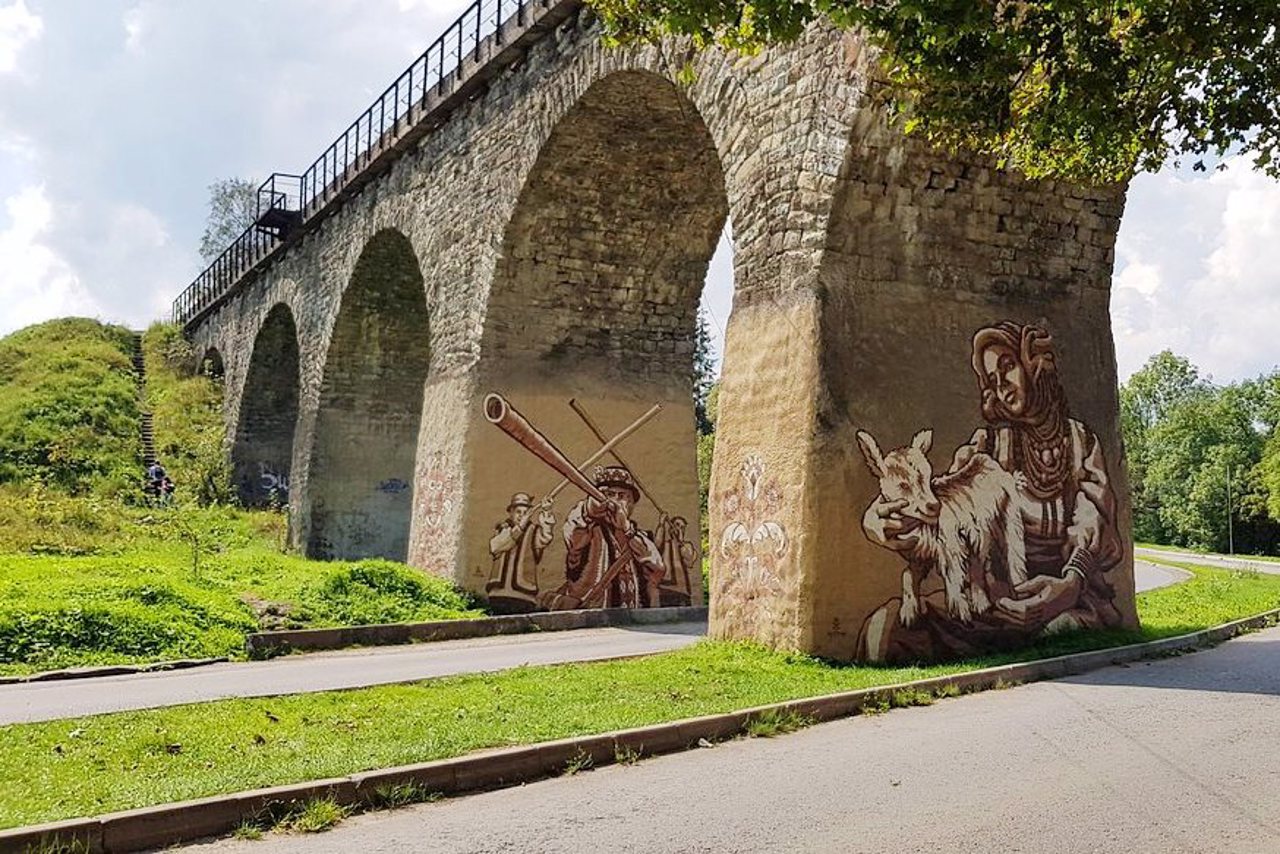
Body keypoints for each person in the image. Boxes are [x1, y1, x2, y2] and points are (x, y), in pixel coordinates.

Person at [859, 321, 1123, 662]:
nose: (1003, 387)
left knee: (1059, 630)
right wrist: (879, 520)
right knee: (888, 630)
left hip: (1068, 599)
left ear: (1033, 362)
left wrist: (1068, 587)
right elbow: (945, 510)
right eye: (993, 381)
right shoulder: (985, 448)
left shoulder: (1081, 444)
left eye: (1008, 367)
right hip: (995, 602)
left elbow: (1095, 521)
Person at [540, 466, 666, 610]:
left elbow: (658, 569)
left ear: (631, 503)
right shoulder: (589, 530)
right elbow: (573, 528)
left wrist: (626, 528)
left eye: (622, 496)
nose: (615, 501)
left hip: (635, 624)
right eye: (609, 494)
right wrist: (591, 507)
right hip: (595, 622)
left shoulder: (639, 537)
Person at [485, 492, 555, 613]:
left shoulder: (533, 531)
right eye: (518, 512)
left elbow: (545, 538)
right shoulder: (503, 529)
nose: (521, 516)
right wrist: (521, 527)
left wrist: (546, 512)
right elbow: (496, 546)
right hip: (498, 594)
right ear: (511, 512)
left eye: (524, 513)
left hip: (523, 595)